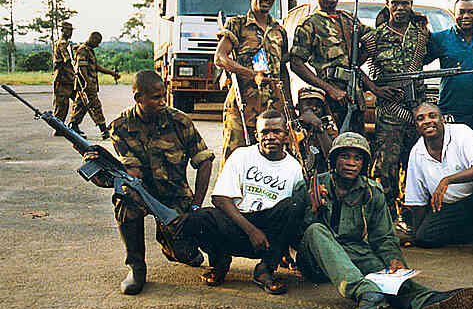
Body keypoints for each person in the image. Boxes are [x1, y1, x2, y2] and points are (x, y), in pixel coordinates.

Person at [292, 132, 473, 309]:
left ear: (364, 164)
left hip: (354, 253)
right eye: (344, 156)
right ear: (333, 160)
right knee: (315, 230)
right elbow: (293, 230)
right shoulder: (312, 185)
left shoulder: (372, 191)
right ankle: (365, 291)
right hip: (315, 262)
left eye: (357, 158)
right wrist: (313, 207)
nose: (351, 163)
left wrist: (393, 259)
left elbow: (383, 237)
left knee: (383, 272)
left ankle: (426, 302)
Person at [83, 70, 214, 295]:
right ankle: (136, 267)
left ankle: (176, 247)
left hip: (175, 197)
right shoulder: (121, 127)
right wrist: (98, 168)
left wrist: (195, 207)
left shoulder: (180, 122)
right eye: (156, 97)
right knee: (124, 202)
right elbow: (130, 173)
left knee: (184, 254)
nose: (163, 101)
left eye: (164, 95)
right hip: (141, 192)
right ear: (138, 98)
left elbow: (204, 162)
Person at [181, 110, 303, 292]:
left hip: (269, 234)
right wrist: (251, 231)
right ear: (257, 135)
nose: (270, 137)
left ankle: (266, 269)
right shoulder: (242, 155)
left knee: (295, 205)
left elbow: (289, 218)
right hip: (238, 224)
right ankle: (220, 261)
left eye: (276, 132)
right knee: (198, 217)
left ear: (286, 135)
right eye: (265, 132)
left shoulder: (294, 167)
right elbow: (220, 198)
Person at [404, 103, 473, 260]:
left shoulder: (461, 133)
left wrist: (447, 180)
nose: (427, 121)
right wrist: (416, 234)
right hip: (454, 207)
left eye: (432, 116)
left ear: (443, 119)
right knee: (425, 238)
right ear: (416, 126)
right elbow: (416, 200)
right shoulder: (417, 153)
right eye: (420, 118)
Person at [289, 0, 387, 134]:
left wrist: (362, 69)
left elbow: (372, 39)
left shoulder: (348, 19)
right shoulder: (310, 24)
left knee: (356, 147)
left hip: (353, 97)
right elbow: (296, 64)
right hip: (327, 101)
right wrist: (330, 89)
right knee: (330, 148)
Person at [363, 0, 430, 221]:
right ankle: (385, 217)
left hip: (417, 110)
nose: (400, 8)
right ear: (388, 5)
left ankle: (413, 215)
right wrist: (375, 89)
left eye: (405, 3)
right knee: (385, 167)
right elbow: (356, 67)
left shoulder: (422, 35)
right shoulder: (374, 37)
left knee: (416, 163)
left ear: (411, 5)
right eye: (395, 3)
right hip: (390, 112)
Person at [215, 0, 291, 167]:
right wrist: (252, 74)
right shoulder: (237, 24)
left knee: (268, 163)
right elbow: (220, 58)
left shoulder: (279, 31)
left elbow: (283, 71)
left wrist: (287, 106)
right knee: (234, 161)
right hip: (241, 105)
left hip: (271, 109)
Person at [425, 0, 473, 146]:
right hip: (451, 109)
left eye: (471, 12)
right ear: (454, 13)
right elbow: (419, 60)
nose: (466, 16)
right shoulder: (439, 38)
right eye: (461, 12)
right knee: (451, 152)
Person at [70, 31, 120, 139]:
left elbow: (96, 67)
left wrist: (112, 73)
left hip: (87, 84)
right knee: (95, 105)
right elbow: (81, 67)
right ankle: (103, 130)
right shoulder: (82, 50)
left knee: (81, 105)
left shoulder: (89, 51)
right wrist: (87, 82)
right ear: (92, 39)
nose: (98, 45)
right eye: (97, 42)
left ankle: (73, 125)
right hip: (86, 84)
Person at [295, 86, 339, 174]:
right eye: (308, 104)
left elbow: (331, 156)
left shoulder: (328, 125)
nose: (314, 108)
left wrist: (318, 127)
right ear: (298, 107)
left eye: (318, 106)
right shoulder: (293, 125)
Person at [51, 21, 76, 131]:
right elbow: (67, 62)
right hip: (62, 78)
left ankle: (73, 125)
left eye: (71, 30)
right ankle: (59, 128)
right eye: (68, 30)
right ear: (62, 30)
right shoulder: (62, 44)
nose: (70, 32)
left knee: (80, 102)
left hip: (69, 79)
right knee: (61, 105)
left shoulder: (67, 43)